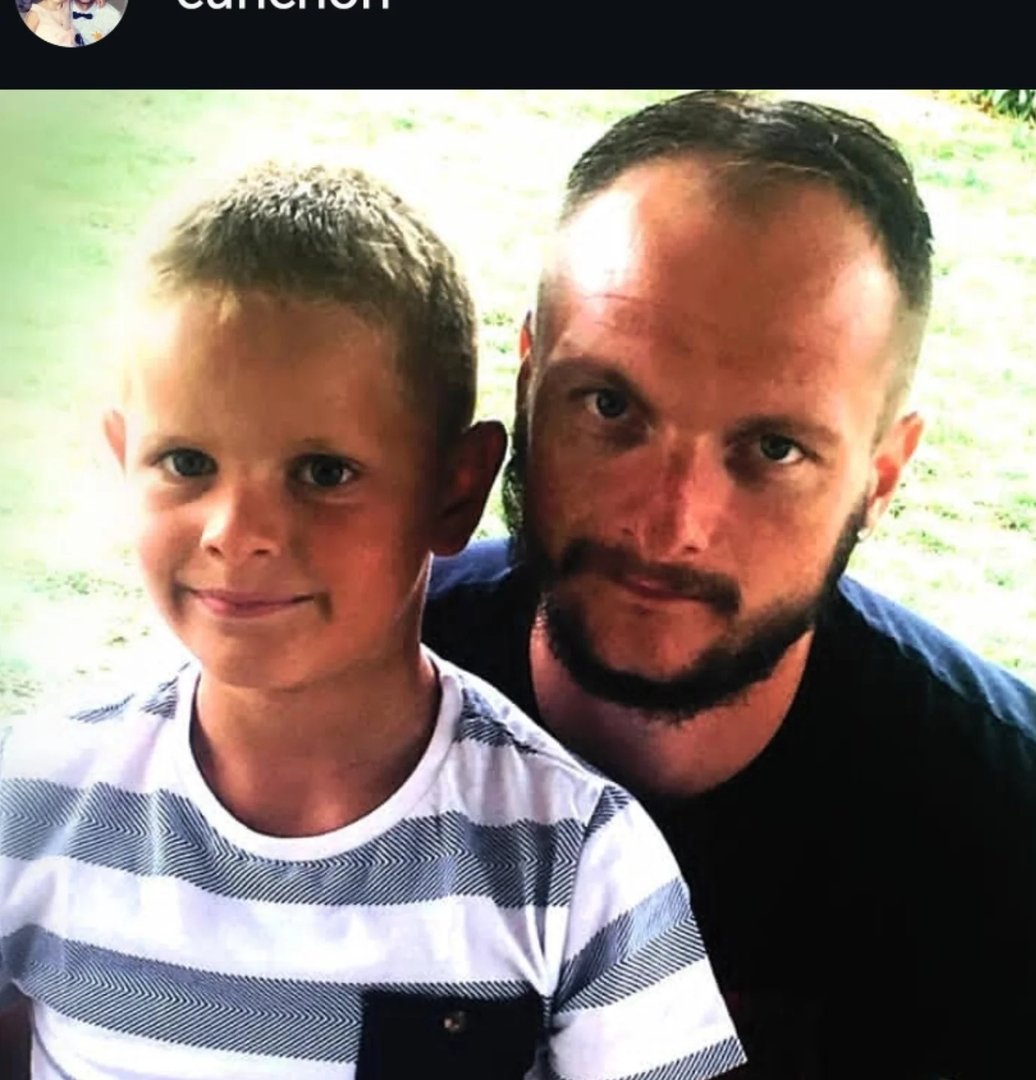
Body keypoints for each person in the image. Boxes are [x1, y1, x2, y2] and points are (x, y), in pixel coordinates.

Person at [0, 162, 745, 1078]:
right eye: (187, 462)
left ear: (455, 491)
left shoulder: (575, 861)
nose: (236, 532)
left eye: (323, 473)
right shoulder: (31, 800)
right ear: (123, 459)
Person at [424, 91, 1036, 1078]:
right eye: (610, 406)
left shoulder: (1027, 844)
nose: (670, 522)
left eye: (773, 448)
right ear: (527, 381)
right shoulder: (340, 692)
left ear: (881, 477)